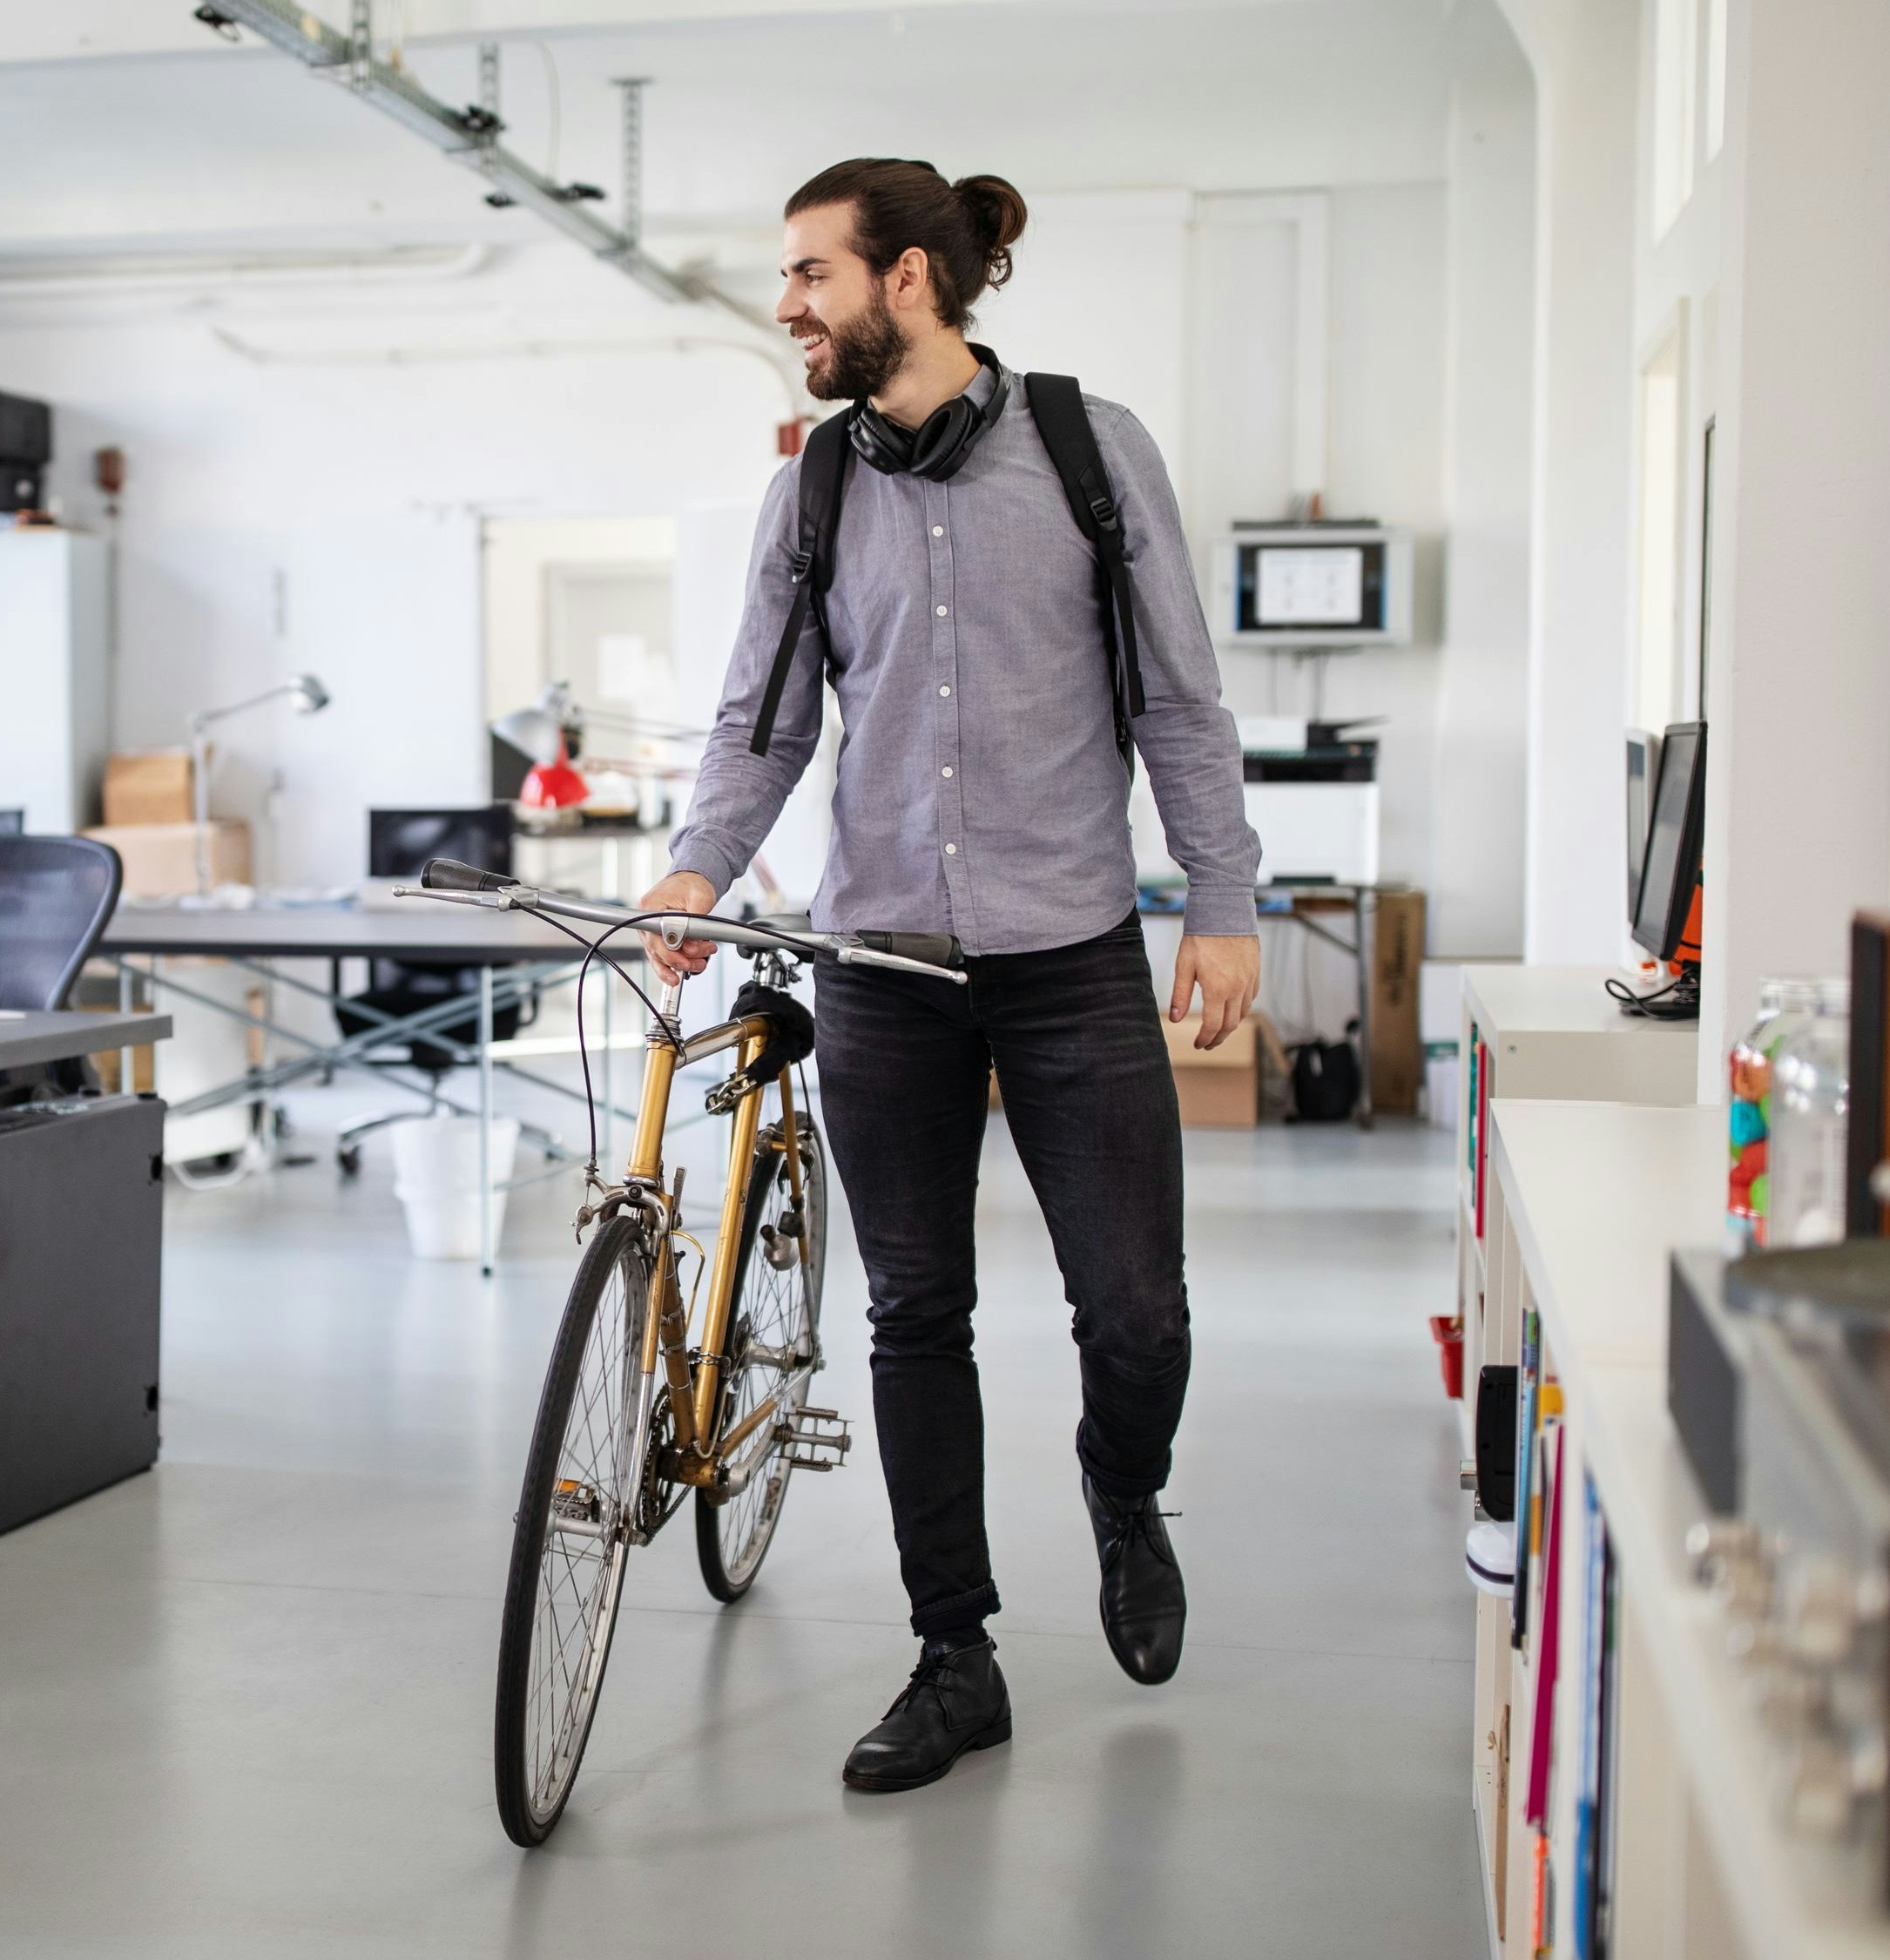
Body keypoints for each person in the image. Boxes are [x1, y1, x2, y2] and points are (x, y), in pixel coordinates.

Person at [643, 159, 1263, 1794]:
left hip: (1071, 956)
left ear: (906, 279)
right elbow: (763, 717)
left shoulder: (1088, 448)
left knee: (1135, 1310)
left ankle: (1122, 1486)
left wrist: (1223, 895)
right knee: (917, 1311)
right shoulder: (812, 491)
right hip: (881, 962)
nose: (787, 304)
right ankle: (954, 1655)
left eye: (810, 273)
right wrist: (701, 860)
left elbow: (1180, 697)